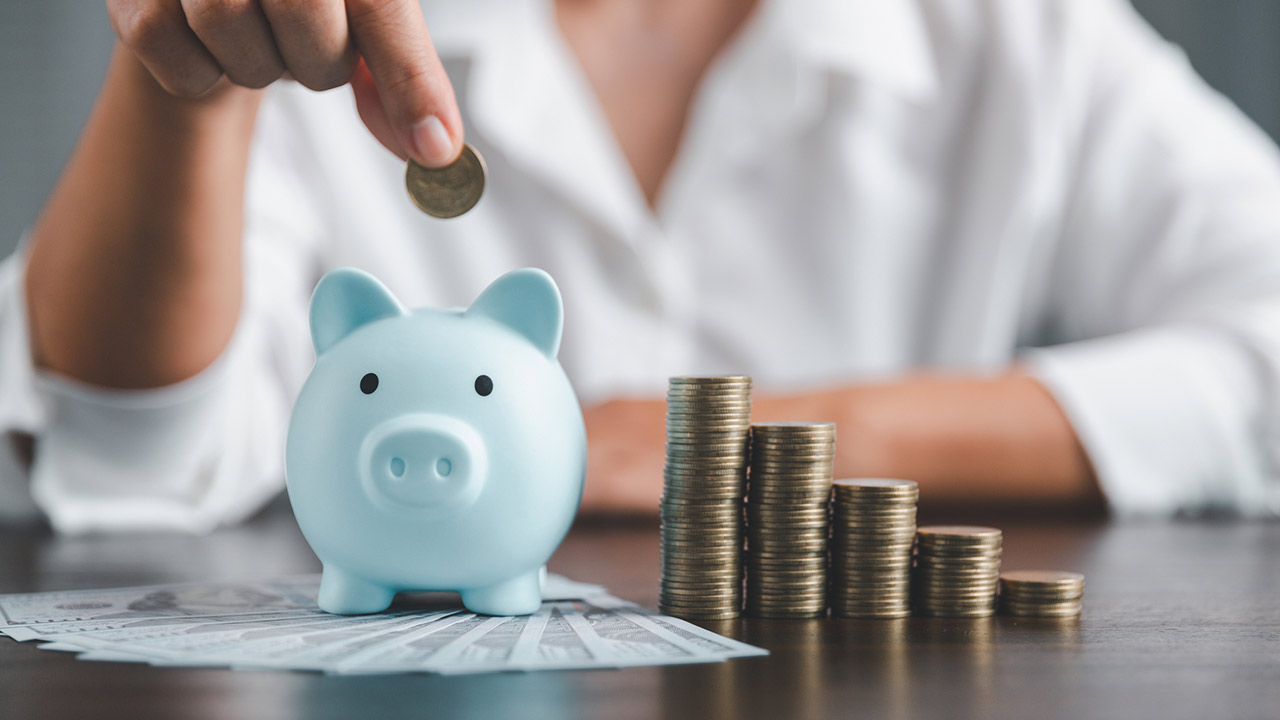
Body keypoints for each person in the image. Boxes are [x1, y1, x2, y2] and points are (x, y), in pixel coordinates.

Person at [2, 0, 1279, 533]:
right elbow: (128, 461)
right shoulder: (328, 21)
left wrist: (752, 437)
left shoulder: (1016, 32)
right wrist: (192, 86)